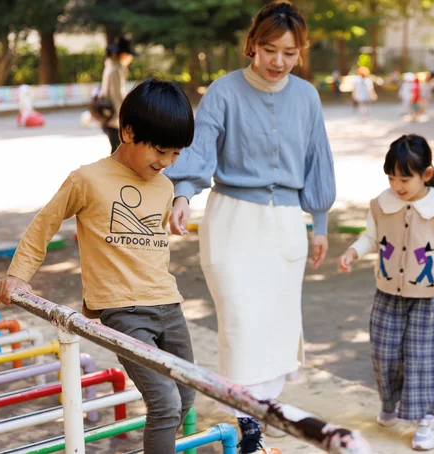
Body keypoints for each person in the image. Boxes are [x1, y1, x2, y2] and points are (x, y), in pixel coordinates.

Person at [163, 2, 336, 452]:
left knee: (277, 320)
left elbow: (318, 159)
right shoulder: (223, 91)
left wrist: (319, 224)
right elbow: (199, 153)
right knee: (240, 318)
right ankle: (245, 413)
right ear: (251, 46)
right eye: (269, 50)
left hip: (285, 224)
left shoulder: (307, 97)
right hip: (232, 220)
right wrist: (182, 195)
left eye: (290, 53)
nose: (279, 61)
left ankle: (265, 408)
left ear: (301, 52)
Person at [0, 78, 196, 454]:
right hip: (123, 311)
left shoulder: (165, 186)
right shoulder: (87, 179)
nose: (166, 162)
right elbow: (45, 223)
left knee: (187, 397)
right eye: (160, 150)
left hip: (169, 306)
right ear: (128, 131)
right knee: (165, 404)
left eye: (176, 154)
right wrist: (19, 275)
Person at [337, 134, 434, 451]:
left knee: (421, 356)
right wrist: (353, 252)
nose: (398, 185)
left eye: (405, 178)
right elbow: (371, 237)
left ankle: (427, 419)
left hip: (426, 297)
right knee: (384, 351)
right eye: (391, 177)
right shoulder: (381, 204)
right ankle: (390, 403)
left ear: (425, 174)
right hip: (387, 293)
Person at [100, 36, 137, 154]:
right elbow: (118, 97)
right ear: (123, 55)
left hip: (110, 118)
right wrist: (125, 120)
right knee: (118, 155)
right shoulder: (116, 70)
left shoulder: (110, 66)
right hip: (115, 121)